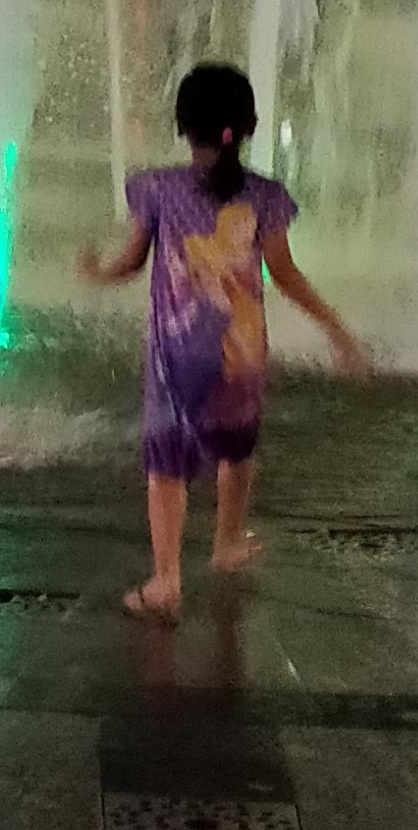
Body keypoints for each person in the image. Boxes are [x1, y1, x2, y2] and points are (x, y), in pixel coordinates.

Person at [77, 57, 367, 619]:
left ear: (184, 126)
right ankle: (228, 543)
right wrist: (336, 329)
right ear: (247, 126)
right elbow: (283, 273)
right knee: (238, 444)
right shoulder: (265, 197)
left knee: (167, 463)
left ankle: (165, 581)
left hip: (179, 354)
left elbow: (133, 263)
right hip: (242, 351)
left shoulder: (156, 189)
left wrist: (96, 272)